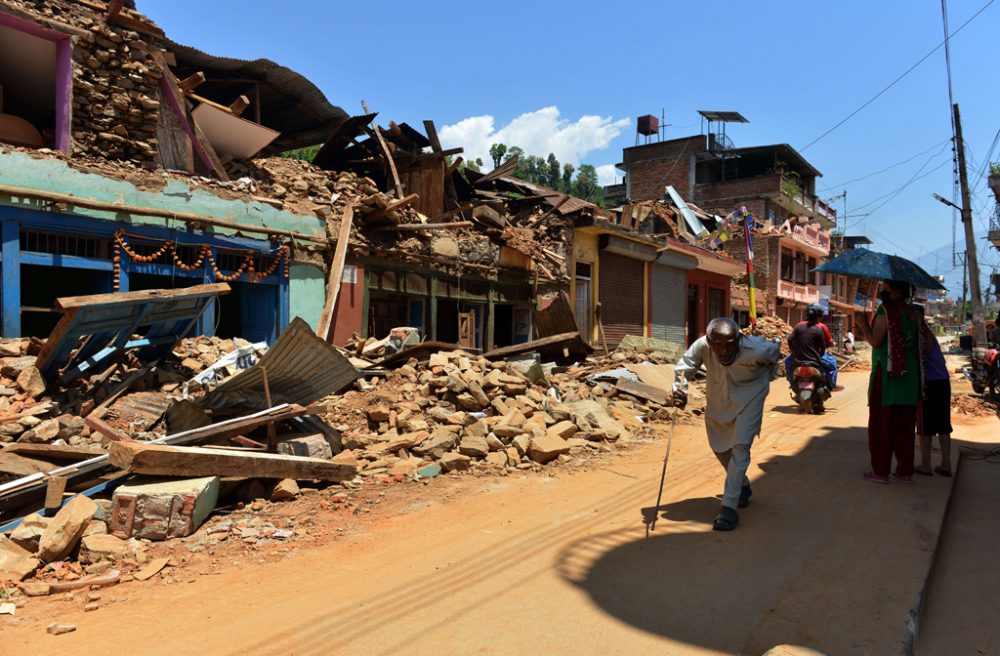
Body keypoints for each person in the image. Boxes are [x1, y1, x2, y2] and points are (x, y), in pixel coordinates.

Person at [672, 317, 781, 531]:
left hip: (750, 397)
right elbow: (685, 366)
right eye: (717, 345)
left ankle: (728, 508)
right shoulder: (702, 345)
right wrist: (680, 390)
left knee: (740, 447)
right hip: (719, 397)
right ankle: (742, 485)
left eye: (730, 344)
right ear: (709, 341)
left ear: (739, 339)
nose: (723, 351)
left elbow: (774, 352)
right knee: (719, 446)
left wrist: (767, 376)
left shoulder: (756, 349)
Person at [854, 280, 922, 484]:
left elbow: (875, 341)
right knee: (906, 427)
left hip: (888, 375)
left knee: (882, 425)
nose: (883, 290)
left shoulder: (886, 311)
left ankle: (880, 471)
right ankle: (904, 471)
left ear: (897, 292)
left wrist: (862, 323)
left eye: (887, 288)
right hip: (910, 376)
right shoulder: (914, 313)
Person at [914, 306, 953, 477]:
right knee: (943, 424)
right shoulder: (927, 333)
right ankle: (945, 464)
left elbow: (920, 357)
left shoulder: (921, 335)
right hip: (942, 381)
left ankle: (925, 465)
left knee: (925, 426)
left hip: (929, 383)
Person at [784, 303, 840, 390]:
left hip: (798, 357)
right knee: (833, 365)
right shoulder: (820, 327)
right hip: (815, 358)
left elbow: (790, 339)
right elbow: (825, 345)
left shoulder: (799, 325)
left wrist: (793, 351)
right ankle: (831, 385)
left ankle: (792, 382)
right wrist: (820, 354)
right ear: (819, 316)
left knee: (787, 363)